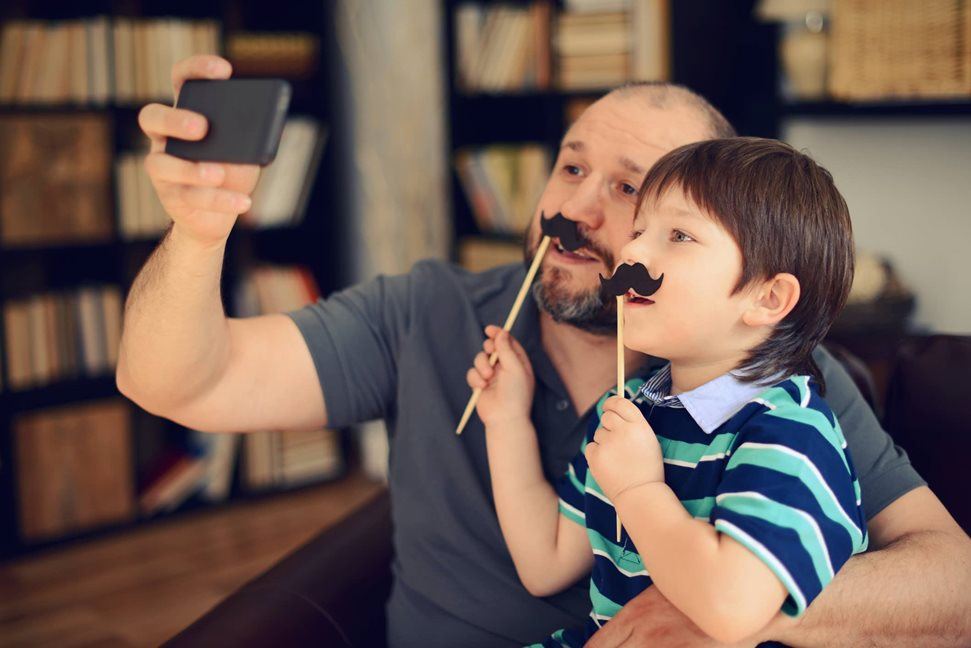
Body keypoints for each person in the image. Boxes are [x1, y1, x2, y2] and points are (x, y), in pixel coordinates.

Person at [119, 55, 971, 647]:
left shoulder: (773, 376)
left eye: (633, 193)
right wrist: (199, 233)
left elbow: (956, 592)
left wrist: (747, 607)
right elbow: (178, 385)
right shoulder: (428, 311)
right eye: (569, 167)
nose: (576, 209)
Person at [468, 137, 867, 646]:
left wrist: (639, 491)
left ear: (768, 298)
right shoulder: (628, 410)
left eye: (679, 235)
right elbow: (544, 563)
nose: (631, 250)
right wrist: (505, 422)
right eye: (639, 231)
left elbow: (731, 611)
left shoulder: (791, 434)